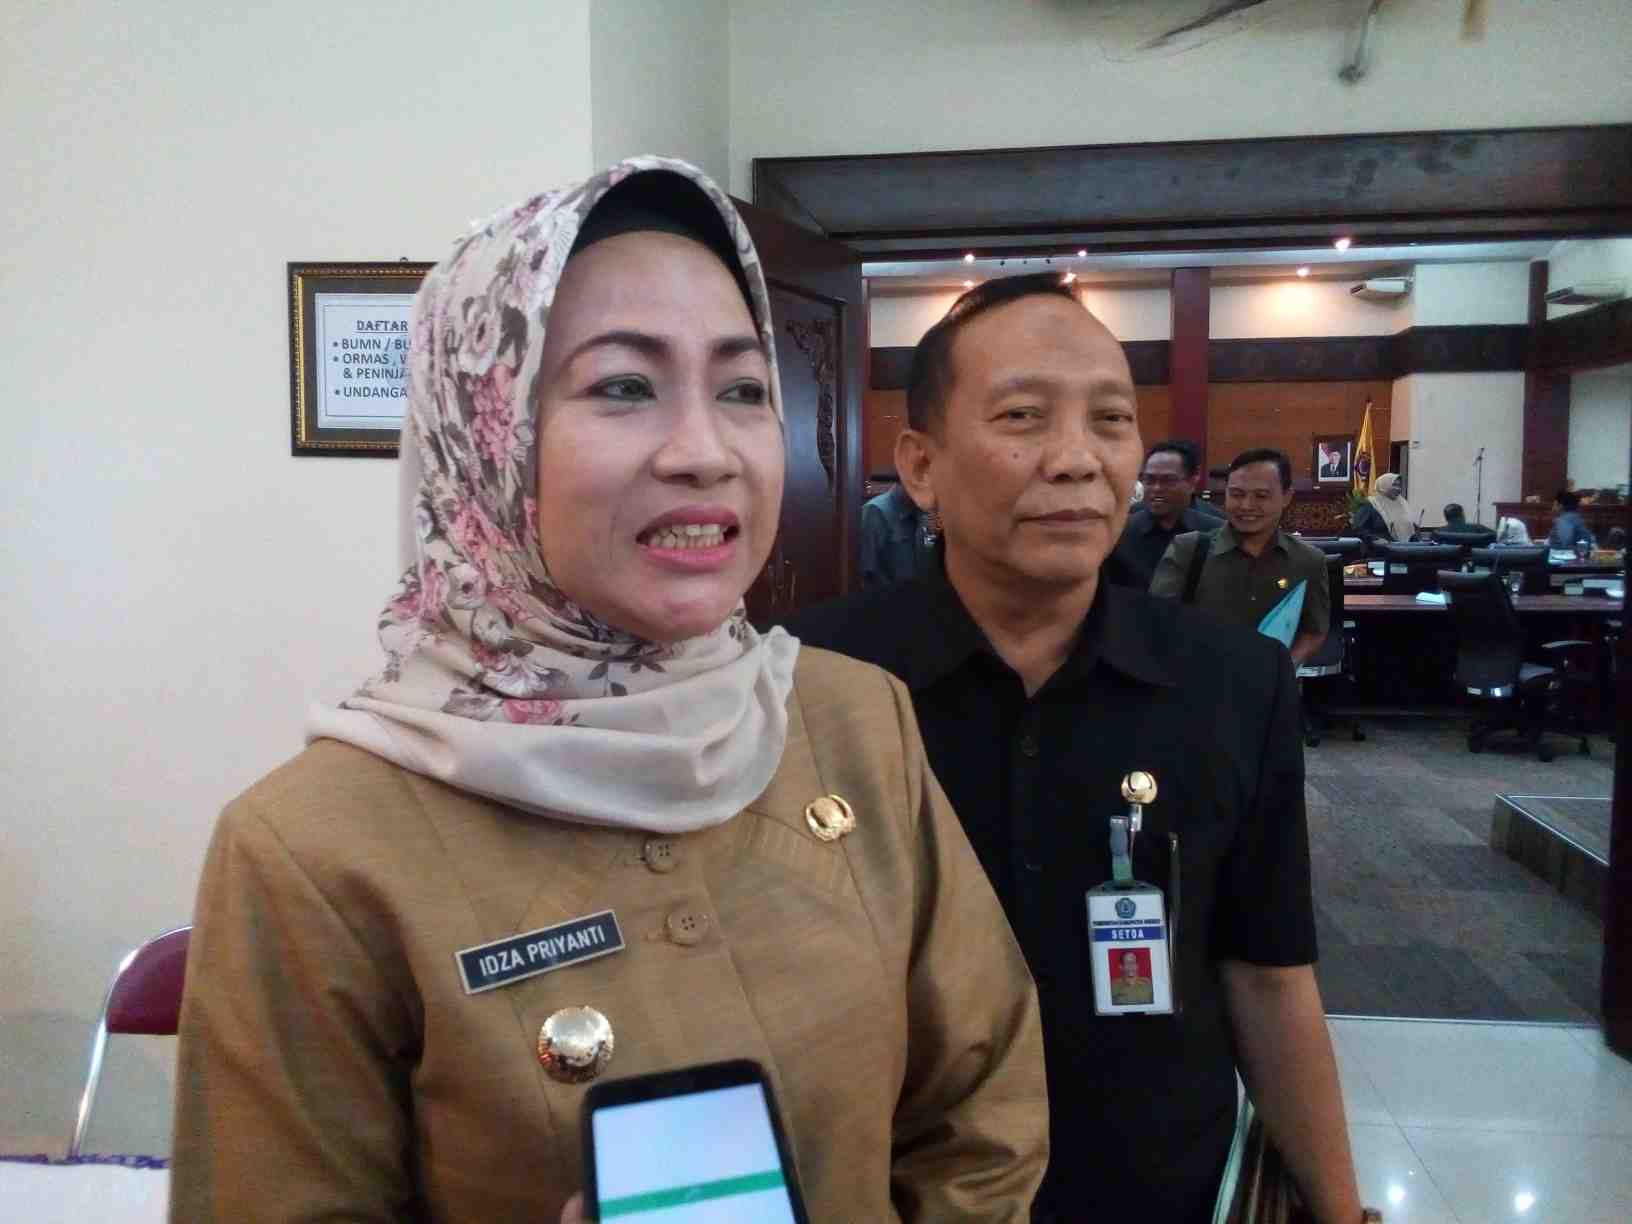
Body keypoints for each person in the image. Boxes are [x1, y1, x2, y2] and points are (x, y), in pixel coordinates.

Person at [170, 159, 1047, 1223]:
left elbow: (982, 1108)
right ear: (486, 438)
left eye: (743, 389)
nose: (705, 453)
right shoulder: (312, 851)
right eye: (625, 387)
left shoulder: (852, 720)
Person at [784, 274, 1364, 1224]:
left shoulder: (1231, 682)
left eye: (1110, 421)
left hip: (1153, 1188)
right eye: (1022, 416)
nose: (1076, 459)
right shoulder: (808, 680)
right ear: (921, 467)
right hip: (887, 1190)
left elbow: (1267, 974)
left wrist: (1340, 1211)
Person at [1152, 449, 1331, 669]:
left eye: (1261, 496)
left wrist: (1283, 669)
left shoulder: (1308, 560)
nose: (1246, 506)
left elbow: (1314, 631)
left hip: (1271, 685)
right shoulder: (1189, 550)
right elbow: (1158, 621)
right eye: (1236, 494)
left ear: (1287, 497)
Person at [1109, 438, 1224, 587]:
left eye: (1168, 480)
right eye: (1149, 480)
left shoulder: (1217, 531)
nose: (1156, 488)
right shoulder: (1120, 531)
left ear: (1193, 480)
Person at [860, 479, 932, 587]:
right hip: (887, 595)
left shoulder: (926, 512)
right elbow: (868, 571)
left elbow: (930, 558)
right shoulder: (875, 511)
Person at [1350, 471, 1416, 544]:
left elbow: (1411, 529)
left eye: (1399, 485)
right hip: (1380, 549)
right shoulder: (1371, 504)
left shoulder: (1403, 504)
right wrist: (1374, 539)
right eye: (1394, 485)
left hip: (1404, 548)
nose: (1398, 488)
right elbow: (1359, 528)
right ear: (1384, 485)